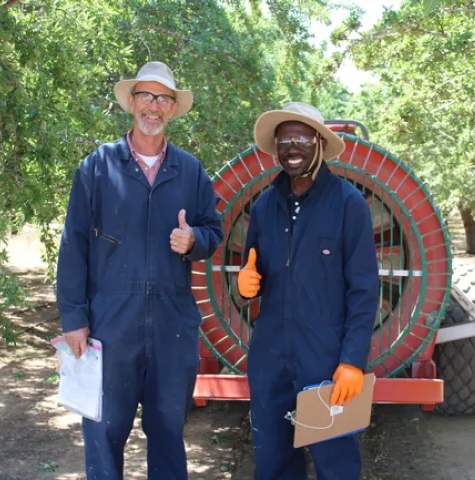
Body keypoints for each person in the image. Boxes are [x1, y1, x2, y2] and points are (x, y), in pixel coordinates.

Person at [56, 61, 224, 480]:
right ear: (131, 102)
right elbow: (73, 243)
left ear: (172, 109)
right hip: (109, 324)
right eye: (146, 96)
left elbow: (213, 230)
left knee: (168, 429)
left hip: (173, 324)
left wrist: (194, 242)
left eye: (163, 98)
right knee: (104, 429)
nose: (154, 106)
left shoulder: (191, 171)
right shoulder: (98, 167)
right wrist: (74, 318)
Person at [237, 102, 379, 479]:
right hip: (270, 357)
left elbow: (364, 289)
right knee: (273, 459)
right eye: (284, 140)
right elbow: (254, 269)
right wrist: (246, 284)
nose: (292, 147)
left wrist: (352, 361)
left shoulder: (349, 204)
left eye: (301, 137)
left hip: (327, 357)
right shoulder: (265, 206)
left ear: (319, 142)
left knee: (335, 461)